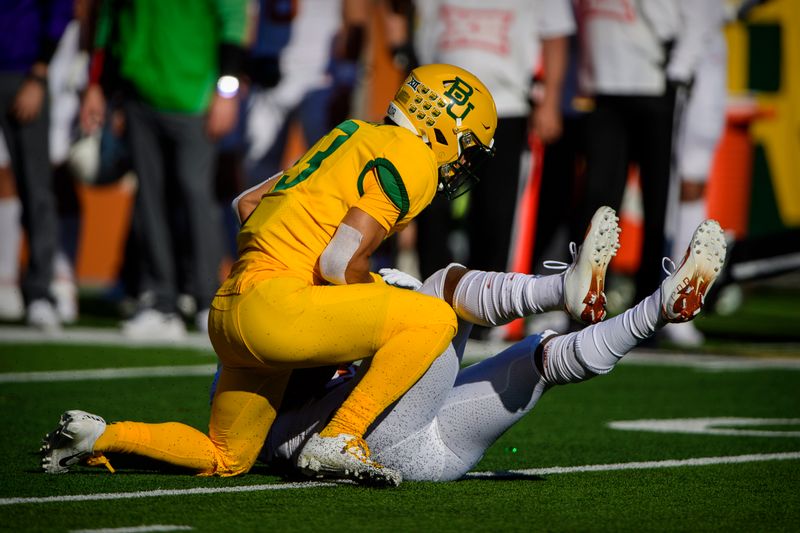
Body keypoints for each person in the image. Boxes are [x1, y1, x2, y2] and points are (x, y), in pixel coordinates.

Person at [42, 64, 500, 487]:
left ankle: (99, 438)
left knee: (227, 457)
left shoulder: (352, 132)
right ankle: (340, 436)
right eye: (468, 149)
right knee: (433, 318)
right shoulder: (413, 156)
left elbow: (247, 202)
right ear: (444, 127)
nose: (462, 163)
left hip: (231, 308)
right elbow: (340, 263)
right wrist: (375, 289)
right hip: (279, 307)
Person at [40, 208, 729, 483]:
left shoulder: (260, 326)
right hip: (365, 435)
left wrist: (111, 433)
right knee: (427, 295)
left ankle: (654, 308)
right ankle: (574, 294)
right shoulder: (283, 325)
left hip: (412, 445)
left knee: (541, 359)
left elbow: (214, 449)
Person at [80, 0, 249, 338]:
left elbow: (233, 23)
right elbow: (110, 25)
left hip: (195, 94)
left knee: (194, 193)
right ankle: (161, 301)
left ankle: (207, 301)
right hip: (139, 92)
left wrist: (226, 92)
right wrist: (100, 86)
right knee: (148, 199)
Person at [574, 0, 723, 308]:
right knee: (598, 200)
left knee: (657, 203)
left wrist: (679, 69)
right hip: (604, 90)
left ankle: (650, 305)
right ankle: (585, 297)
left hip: (655, 87)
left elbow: (701, 16)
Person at [0, 0, 75, 331]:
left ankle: (41, 292)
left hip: (22, 71)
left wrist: (40, 71)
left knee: (36, 186)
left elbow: (59, 11)